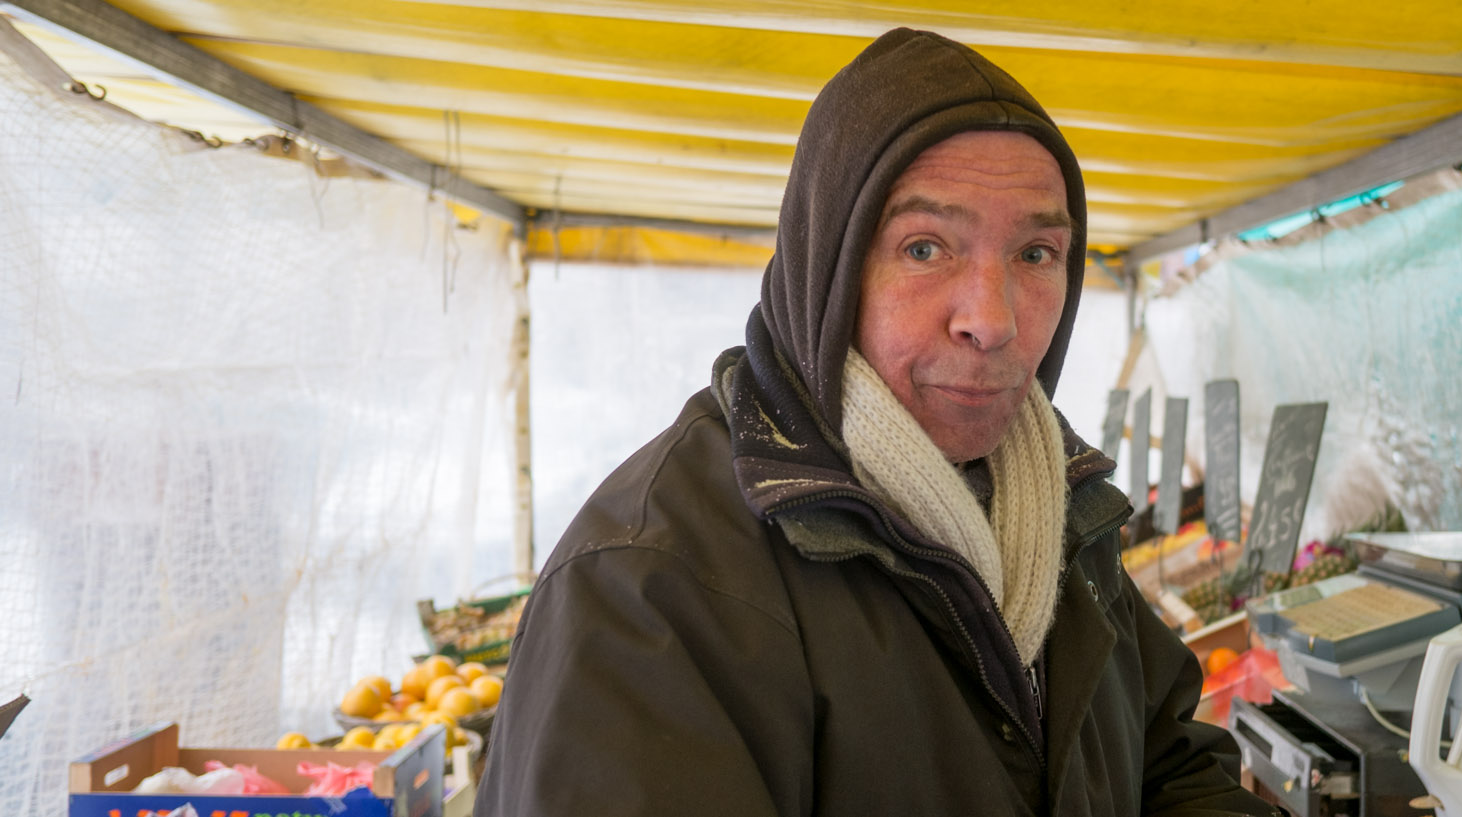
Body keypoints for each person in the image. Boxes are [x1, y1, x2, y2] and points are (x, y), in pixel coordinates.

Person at [476, 27, 1276, 817]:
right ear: (826, 265)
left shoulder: (1057, 507)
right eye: (926, 248)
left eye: (1036, 253)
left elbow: (1167, 764)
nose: (991, 320)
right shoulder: (650, 584)